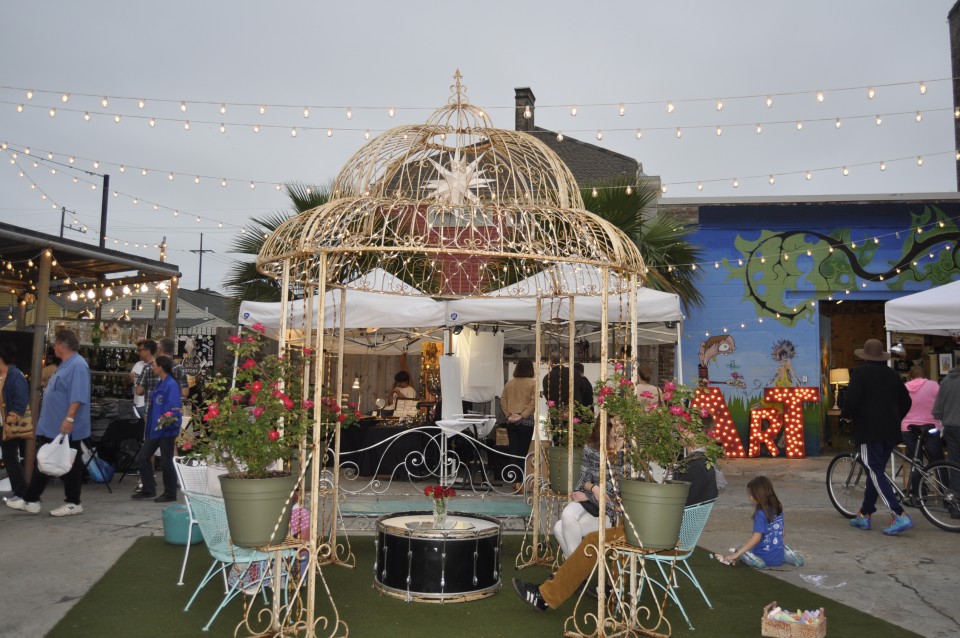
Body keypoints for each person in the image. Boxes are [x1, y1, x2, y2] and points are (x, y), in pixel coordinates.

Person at [513, 451, 719, 611]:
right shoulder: (704, 466)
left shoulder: (693, 466)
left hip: (659, 536)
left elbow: (670, 504)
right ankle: (605, 585)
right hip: (667, 532)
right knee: (589, 534)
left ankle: (546, 597)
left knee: (594, 541)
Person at [6, 329, 90, 517]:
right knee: (52, 461)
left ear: (62, 345)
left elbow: (78, 396)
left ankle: (61, 501)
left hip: (65, 426)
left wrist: (69, 418)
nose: (54, 347)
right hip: (55, 425)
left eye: (55, 344)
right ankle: (33, 499)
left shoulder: (77, 365)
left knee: (55, 461)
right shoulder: (66, 364)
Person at [842, 338, 914, 535]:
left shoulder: (860, 373)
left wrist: (846, 415)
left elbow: (851, 401)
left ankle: (899, 514)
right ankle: (864, 514)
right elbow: (906, 401)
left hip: (868, 432)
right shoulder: (893, 375)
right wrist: (895, 417)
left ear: (865, 357)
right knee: (877, 472)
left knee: (874, 471)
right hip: (891, 433)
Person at [554, 415, 625, 559]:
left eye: (622, 423)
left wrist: (588, 495)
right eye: (613, 425)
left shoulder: (629, 451)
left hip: (614, 512)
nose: (619, 429)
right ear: (604, 426)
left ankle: (575, 574)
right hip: (594, 503)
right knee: (567, 515)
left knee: (559, 528)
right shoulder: (592, 447)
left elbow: (616, 489)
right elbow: (584, 480)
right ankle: (577, 572)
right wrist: (593, 488)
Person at [721, 476, 803, 568]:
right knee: (774, 545)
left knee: (741, 549)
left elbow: (756, 538)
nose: (750, 497)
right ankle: (786, 552)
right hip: (778, 558)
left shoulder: (760, 513)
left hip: (764, 557)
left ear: (759, 494)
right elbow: (782, 533)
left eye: (751, 494)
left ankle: (756, 560)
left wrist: (737, 554)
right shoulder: (778, 507)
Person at [132, 356, 182, 502]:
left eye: (154, 365)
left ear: (160, 367)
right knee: (143, 456)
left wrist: (167, 425)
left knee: (167, 461)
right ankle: (148, 489)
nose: (152, 368)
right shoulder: (161, 383)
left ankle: (170, 493)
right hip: (155, 428)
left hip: (166, 429)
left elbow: (173, 408)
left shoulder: (171, 384)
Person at [901, 366, 943, 501]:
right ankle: (946, 493)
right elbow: (941, 403)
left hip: (909, 428)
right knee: (938, 461)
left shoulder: (905, 387)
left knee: (916, 461)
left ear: (911, 377)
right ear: (925, 375)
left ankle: (919, 495)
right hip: (930, 427)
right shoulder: (933, 385)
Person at [499, 358, 537, 491]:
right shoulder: (533, 383)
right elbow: (533, 402)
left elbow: (502, 400)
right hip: (526, 422)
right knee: (522, 452)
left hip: (511, 421)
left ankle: (516, 481)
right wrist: (522, 415)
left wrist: (509, 415)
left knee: (514, 451)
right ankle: (519, 482)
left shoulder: (509, 383)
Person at [0, 342, 30, 504]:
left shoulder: (15, 375)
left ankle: (22, 491)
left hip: (9, 423)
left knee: (10, 457)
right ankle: (21, 491)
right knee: (10, 457)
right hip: (3, 422)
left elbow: (20, 401)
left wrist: (11, 419)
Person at [932, 360, 960, 516]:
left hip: (950, 428)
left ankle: (956, 507)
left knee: (955, 467)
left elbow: (937, 411)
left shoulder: (946, 381)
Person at [128, 339, 156, 419]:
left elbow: (139, 391)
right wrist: (130, 378)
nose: (138, 353)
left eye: (140, 350)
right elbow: (127, 382)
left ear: (148, 351)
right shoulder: (138, 364)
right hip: (137, 405)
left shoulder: (157, 366)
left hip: (148, 405)